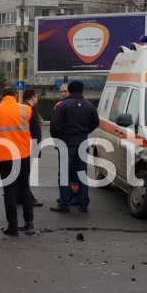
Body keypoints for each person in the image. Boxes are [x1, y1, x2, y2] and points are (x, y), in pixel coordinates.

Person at [0, 86, 35, 236]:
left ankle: (12, 227)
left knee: (9, 191)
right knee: (24, 188)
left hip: (5, 155)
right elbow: (32, 129)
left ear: (2, 96)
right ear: (15, 95)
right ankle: (29, 223)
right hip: (23, 154)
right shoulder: (26, 110)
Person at [49, 80, 100, 213]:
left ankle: (65, 203)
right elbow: (95, 122)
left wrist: (59, 137)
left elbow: (54, 126)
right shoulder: (89, 105)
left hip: (66, 143)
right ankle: (83, 204)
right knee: (82, 174)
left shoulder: (63, 105)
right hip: (83, 142)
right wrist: (84, 132)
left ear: (70, 90)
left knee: (65, 174)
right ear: (82, 90)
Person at [16, 89, 44, 208]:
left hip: (23, 145)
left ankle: (19, 196)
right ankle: (27, 197)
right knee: (25, 174)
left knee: (21, 173)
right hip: (28, 146)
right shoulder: (28, 111)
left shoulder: (22, 109)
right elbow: (34, 131)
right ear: (34, 97)